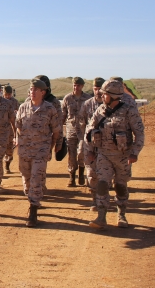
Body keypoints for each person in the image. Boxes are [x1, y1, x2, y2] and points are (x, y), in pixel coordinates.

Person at [84, 80, 144, 229]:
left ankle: (121, 214)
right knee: (103, 184)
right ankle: (101, 217)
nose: (101, 96)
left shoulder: (129, 111)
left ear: (113, 96)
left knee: (120, 186)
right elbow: (89, 131)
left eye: (104, 94)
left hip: (123, 157)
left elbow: (140, 134)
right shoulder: (100, 111)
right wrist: (90, 149)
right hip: (104, 155)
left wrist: (134, 153)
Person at [15, 79, 62, 227]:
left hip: (41, 151)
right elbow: (17, 125)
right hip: (24, 150)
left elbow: (56, 131)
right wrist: (20, 138)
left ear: (43, 92)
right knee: (27, 179)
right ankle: (31, 198)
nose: (32, 92)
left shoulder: (50, 109)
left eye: (36, 90)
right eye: (31, 89)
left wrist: (53, 146)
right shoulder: (23, 107)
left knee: (36, 178)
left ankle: (33, 211)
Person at [78, 77, 105, 211]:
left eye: (100, 89)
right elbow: (82, 124)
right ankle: (95, 199)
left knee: (105, 174)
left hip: (107, 146)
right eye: (95, 89)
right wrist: (85, 142)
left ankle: (103, 198)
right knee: (92, 173)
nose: (98, 91)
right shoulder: (87, 105)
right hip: (90, 145)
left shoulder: (111, 106)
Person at [62, 77, 91, 187]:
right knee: (71, 154)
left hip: (84, 130)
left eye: (78, 85)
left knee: (82, 152)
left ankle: (81, 174)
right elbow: (63, 115)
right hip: (71, 129)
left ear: (82, 86)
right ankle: (72, 177)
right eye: (74, 85)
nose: (76, 87)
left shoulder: (87, 99)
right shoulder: (67, 98)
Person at [3, 85, 20, 174]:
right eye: (6, 94)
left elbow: (18, 115)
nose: (8, 96)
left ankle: (7, 166)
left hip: (11, 130)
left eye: (9, 94)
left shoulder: (15, 102)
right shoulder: (0, 101)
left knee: (9, 150)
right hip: (1, 131)